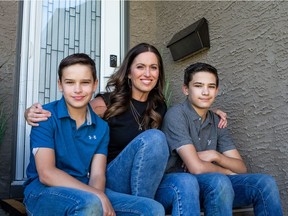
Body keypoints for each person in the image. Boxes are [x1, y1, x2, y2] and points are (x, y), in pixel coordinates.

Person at [24, 44, 227, 215]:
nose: (147, 73)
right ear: (129, 72)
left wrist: (208, 109)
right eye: (140, 67)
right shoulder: (105, 104)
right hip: (111, 178)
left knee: (180, 186)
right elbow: (73, 108)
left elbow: (182, 115)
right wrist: (30, 113)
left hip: (124, 182)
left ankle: (139, 206)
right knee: (155, 139)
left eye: (153, 68)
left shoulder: (159, 107)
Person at [155, 62, 283, 216]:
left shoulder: (217, 120)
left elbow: (241, 168)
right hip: (178, 186)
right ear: (186, 89)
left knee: (265, 183)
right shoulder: (177, 115)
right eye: (198, 85)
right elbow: (196, 168)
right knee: (218, 181)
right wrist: (226, 171)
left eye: (211, 86)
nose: (205, 92)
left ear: (217, 91)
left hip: (210, 185)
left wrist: (215, 155)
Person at [23, 53, 114, 215]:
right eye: (70, 82)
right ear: (60, 85)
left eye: (85, 82)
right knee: (89, 203)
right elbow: (46, 174)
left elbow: (98, 175)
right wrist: (96, 196)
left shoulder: (102, 127)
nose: (77, 90)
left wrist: (97, 196)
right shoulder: (44, 116)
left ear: (95, 85)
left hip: (83, 187)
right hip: (41, 191)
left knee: (150, 208)